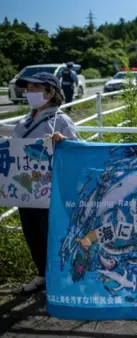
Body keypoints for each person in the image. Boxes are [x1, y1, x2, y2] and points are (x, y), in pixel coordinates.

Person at [12, 72, 78, 292]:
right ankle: (42, 273)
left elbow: (76, 150)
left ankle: (60, 276)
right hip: (25, 187)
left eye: (35, 88)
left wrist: (64, 141)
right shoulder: (24, 122)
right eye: (28, 89)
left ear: (50, 92)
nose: (29, 93)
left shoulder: (61, 120)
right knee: (31, 232)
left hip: (50, 189)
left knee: (52, 232)